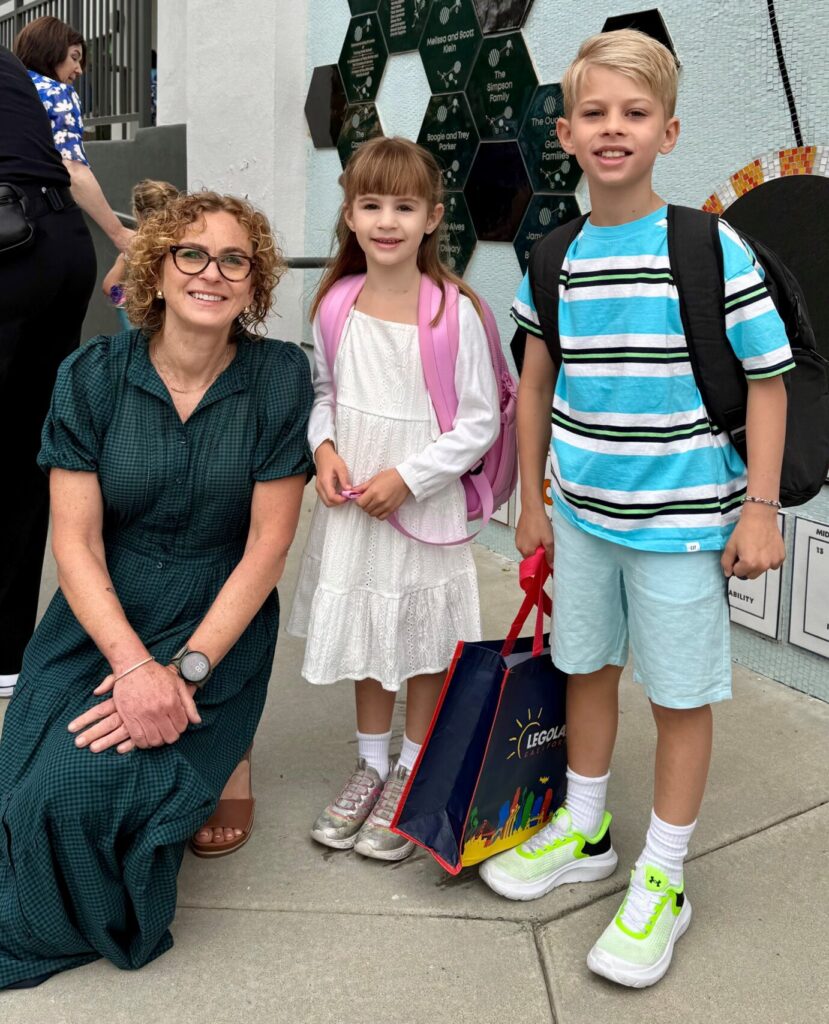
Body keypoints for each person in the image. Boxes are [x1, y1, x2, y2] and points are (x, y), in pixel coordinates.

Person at [479, 30, 792, 988]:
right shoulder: (555, 251)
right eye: (596, 114)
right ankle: (585, 829)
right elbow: (534, 385)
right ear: (566, 132)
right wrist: (531, 501)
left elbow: (769, 380)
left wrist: (762, 511)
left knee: (679, 691)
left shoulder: (708, 245)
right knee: (583, 667)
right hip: (579, 514)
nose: (613, 130)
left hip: (683, 523)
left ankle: (663, 873)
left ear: (667, 131)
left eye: (635, 114)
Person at [0, 191, 313, 989]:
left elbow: (267, 546)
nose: (213, 272)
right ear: (157, 270)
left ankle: (224, 750)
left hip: (217, 616)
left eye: (234, 259)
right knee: (24, 790)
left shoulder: (278, 378)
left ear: (253, 281)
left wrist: (185, 672)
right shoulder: (92, 376)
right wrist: (135, 669)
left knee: (74, 796)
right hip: (101, 615)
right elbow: (72, 540)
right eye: (192, 254)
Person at [287, 137, 500, 862]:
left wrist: (408, 479)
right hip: (353, 505)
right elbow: (326, 395)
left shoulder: (453, 310)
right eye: (370, 204)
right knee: (366, 638)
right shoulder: (335, 303)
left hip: (420, 504)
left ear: (432, 217)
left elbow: (478, 421)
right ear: (348, 214)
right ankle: (371, 764)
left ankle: (413, 768)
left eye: (403, 206)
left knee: (420, 640)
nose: (386, 220)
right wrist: (323, 450)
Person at [0, 45, 96, 700]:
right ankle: (8, 656)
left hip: (10, 243)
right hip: (62, 244)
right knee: (21, 458)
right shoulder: (11, 70)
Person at [14, 15, 134, 256]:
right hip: (36, 223)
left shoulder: (13, 89)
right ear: (50, 52)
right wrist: (119, 233)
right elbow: (73, 169)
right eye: (74, 58)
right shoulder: (58, 92)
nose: (79, 70)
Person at [102, 179, 180, 331]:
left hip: (142, 328)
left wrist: (125, 301)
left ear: (137, 213)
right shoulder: (182, 244)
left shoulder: (135, 248)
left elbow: (109, 286)